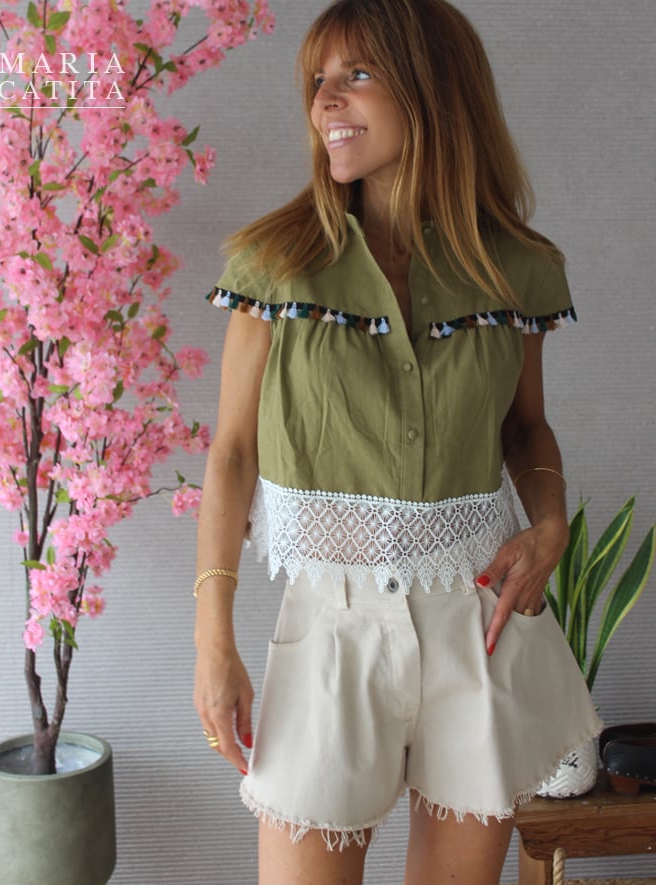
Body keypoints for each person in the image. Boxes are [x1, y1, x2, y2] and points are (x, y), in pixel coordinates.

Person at [193, 1, 601, 882]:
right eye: (317, 80)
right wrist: (212, 639)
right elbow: (231, 455)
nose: (324, 102)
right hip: (329, 630)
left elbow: (524, 426)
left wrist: (549, 523)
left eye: (357, 75)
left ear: (433, 88)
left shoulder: (516, 268)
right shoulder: (274, 265)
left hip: (477, 626)